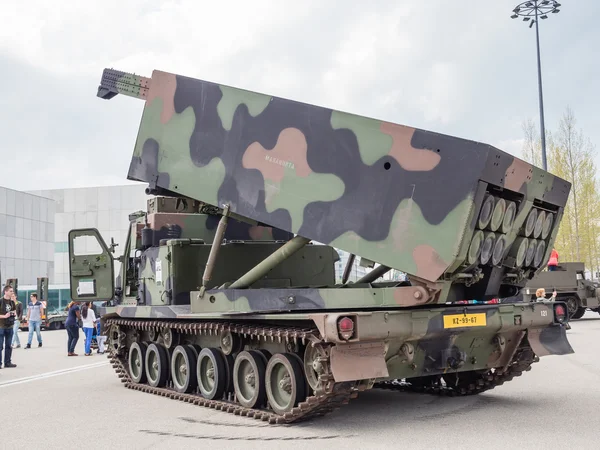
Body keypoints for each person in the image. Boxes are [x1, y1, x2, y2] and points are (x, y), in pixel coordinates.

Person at [0, 286, 18, 368]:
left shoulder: (12, 302)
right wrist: (4, 316)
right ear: (5, 292)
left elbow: (14, 311)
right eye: (10, 291)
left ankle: (7, 362)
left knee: (8, 345)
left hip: (10, 326)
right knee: (0, 346)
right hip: (1, 326)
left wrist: (13, 314)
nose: (12, 293)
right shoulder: (0, 301)